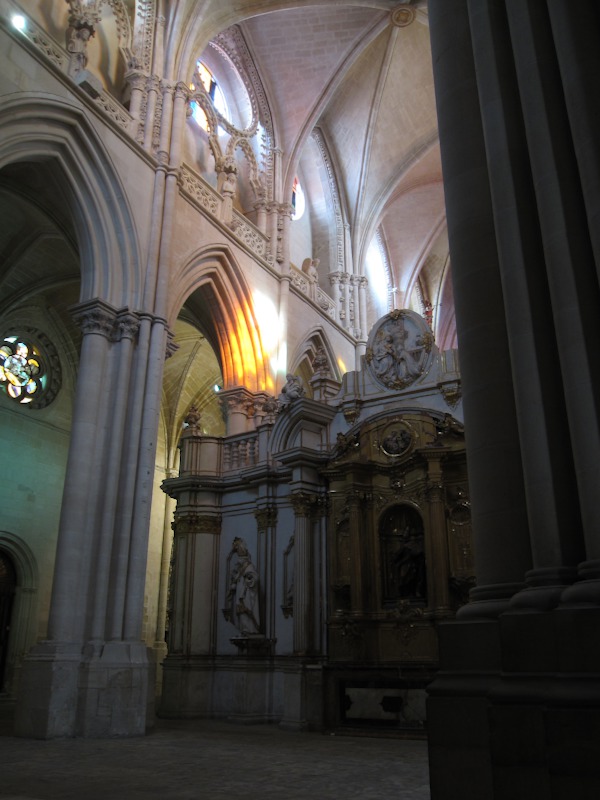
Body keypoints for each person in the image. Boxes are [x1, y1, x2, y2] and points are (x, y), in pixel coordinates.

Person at [225, 538, 260, 634]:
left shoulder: (249, 567)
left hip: (246, 595)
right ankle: (243, 629)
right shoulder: (240, 569)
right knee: (241, 613)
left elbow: (255, 578)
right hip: (240, 595)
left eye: (239, 560)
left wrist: (248, 578)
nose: (238, 561)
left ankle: (250, 629)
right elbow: (235, 581)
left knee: (245, 612)